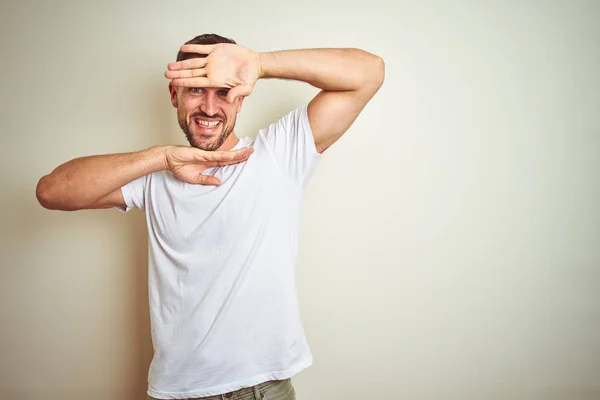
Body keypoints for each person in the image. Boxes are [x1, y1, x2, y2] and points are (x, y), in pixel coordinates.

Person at [36, 33, 384, 400]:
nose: (209, 107)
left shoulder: (278, 153)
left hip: (264, 389)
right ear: (174, 95)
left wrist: (260, 63)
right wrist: (160, 158)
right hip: (179, 392)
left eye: (223, 91)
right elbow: (52, 191)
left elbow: (369, 72)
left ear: (242, 96)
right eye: (196, 91)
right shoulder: (154, 176)